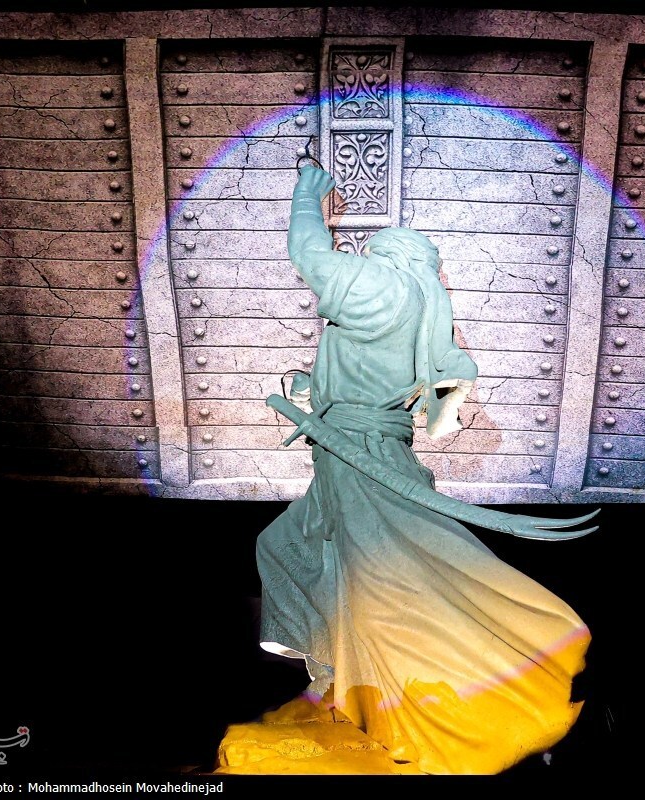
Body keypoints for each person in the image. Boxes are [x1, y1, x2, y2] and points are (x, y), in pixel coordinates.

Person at [249, 165, 591, 775]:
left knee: (380, 581)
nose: (362, 259)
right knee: (288, 547)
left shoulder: (383, 285)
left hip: (359, 456)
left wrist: (307, 195)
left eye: (371, 252)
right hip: (359, 450)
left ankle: (418, 706)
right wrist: (316, 390)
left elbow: (309, 254)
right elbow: (405, 398)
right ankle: (346, 677)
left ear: (388, 254)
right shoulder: (420, 308)